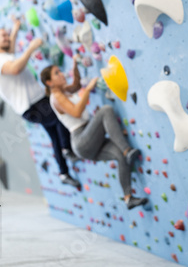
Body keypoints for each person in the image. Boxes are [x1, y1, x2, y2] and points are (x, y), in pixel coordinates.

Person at [40, 58, 148, 210]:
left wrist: (75, 65)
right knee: (105, 111)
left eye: (60, 71)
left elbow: (76, 85)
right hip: (81, 139)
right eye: (57, 73)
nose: (62, 74)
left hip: (88, 140)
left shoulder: (63, 91)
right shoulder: (56, 97)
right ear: (49, 82)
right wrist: (88, 89)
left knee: (119, 156)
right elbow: (76, 112)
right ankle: (127, 150)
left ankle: (128, 197)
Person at [0, 21, 80, 187]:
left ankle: (63, 172)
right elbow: (15, 68)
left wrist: (14, 30)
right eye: (3, 35)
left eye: (7, 35)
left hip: (38, 102)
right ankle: (67, 149)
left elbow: (11, 54)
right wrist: (31, 48)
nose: (7, 38)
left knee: (54, 136)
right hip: (32, 105)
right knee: (61, 117)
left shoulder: (3, 57)